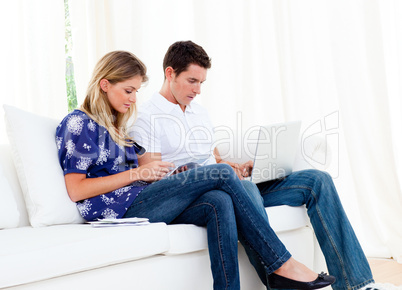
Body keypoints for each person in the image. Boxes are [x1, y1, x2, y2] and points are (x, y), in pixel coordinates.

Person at [56, 50, 335, 290]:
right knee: (222, 174)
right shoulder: (79, 123)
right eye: (128, 91)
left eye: (136, 92)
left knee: (219, 202)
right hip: (118, 211)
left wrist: (168, 172)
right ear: (104, 84)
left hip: (143, 197)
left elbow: (145, 169)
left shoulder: (116, 126)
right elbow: (76, 189)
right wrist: (137, 174)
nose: (133, 99)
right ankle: (282, 265)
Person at [130, 41, 381, 290]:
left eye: (202, 83)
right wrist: (205, 172)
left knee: (318, 180)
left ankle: (356, 284)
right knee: (243, 191)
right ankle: (280, 275)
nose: (197, 90)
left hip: (230, 184)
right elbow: (154, 178)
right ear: (170, 73)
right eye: (192, 81)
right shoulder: (148, 116)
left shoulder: (200, 113)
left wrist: (235, 166)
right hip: (200, 195)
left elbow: (213, 158)